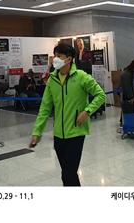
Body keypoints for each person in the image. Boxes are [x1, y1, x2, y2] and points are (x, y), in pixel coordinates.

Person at [30, 44, 105, 186]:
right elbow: (45, 108)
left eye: (59, 56)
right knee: (67, 175)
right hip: (58, 135)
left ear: (69, 59)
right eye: (55, 55)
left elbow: (100, 95)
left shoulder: (81, 77)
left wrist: (87, 111)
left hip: (76, 133)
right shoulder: (52, 80)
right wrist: (37, 132)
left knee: (68, 174)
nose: (55, 59)